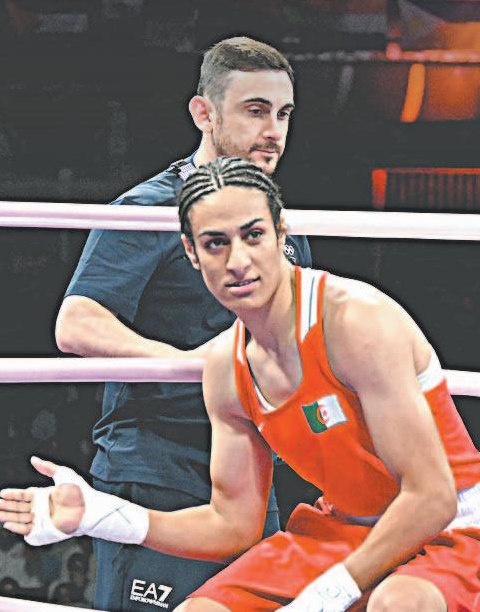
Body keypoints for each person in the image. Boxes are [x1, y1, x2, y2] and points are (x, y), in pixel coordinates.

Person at [0, 158, 480, 612]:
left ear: (281, 235)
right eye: (216, 243)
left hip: (456, 535)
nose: (238, 262)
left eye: (253, 235)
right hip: (343, 532)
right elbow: (232, 524)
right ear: (191, 253)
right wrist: (99, 516)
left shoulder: (355, 323)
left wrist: (326, 596)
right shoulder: (226, 371)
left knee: (397, 605)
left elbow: (432, 497)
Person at [54, 37, 312, 611]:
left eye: (283, 114)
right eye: (255, 110)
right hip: (160, 466)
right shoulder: (151, 208)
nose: (273, 131)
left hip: (252, 475)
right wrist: (194, 366)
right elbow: (77, 322)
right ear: (204, 113)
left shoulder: (280, 231)